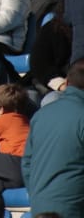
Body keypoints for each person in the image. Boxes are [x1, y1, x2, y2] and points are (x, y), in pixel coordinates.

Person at [23, 58, 84, 216]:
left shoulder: (41, 115)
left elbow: (27, 163)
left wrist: (38, 196)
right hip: (74, 208)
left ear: (67, 82)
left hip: (40, 206)